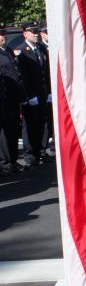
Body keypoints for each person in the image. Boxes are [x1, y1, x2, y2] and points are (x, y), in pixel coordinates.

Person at [16, 20, 49, 166]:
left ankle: (40, 151)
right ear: (25, 34)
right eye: (32, 32)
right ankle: (30, 155)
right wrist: (29, 95)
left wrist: (48, 92)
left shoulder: (40, 48)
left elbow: (45, 72)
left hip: (42, 93)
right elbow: (23, 76)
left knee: (42, 122)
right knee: (30, 125)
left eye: (36, 32)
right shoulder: (22, 51)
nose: (36, 34)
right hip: (31, 96)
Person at [0, 23, 26, 175]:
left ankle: (13, 159)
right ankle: (4, 163)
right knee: (4, 133)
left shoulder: (8, 51)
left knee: (13, 130)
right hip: (4, 99)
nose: (3, 37)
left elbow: (16, 73)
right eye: (1, 35)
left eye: (4, 35)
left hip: (13, 98)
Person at [38, 24, 54, 158]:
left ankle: (51, 144)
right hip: (44, 90)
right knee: (44, 120)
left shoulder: (52, 45)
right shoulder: (41, 48)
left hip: (52, 89)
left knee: (52, 119)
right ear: (43, 34)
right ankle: (43, 147)